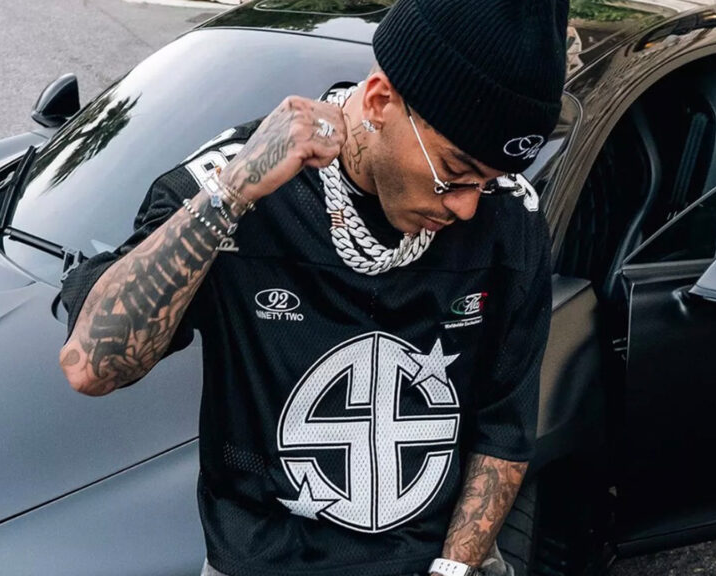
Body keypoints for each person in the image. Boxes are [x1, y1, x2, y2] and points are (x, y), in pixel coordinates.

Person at [58, 0, 569, 574]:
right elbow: (92, 367)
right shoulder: (232, 188)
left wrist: (455, 568)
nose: (468, 206)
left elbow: (503, 427)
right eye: (453, 172)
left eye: (489, 180)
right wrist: (233, 191)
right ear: (380, 101)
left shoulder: (510, 218)